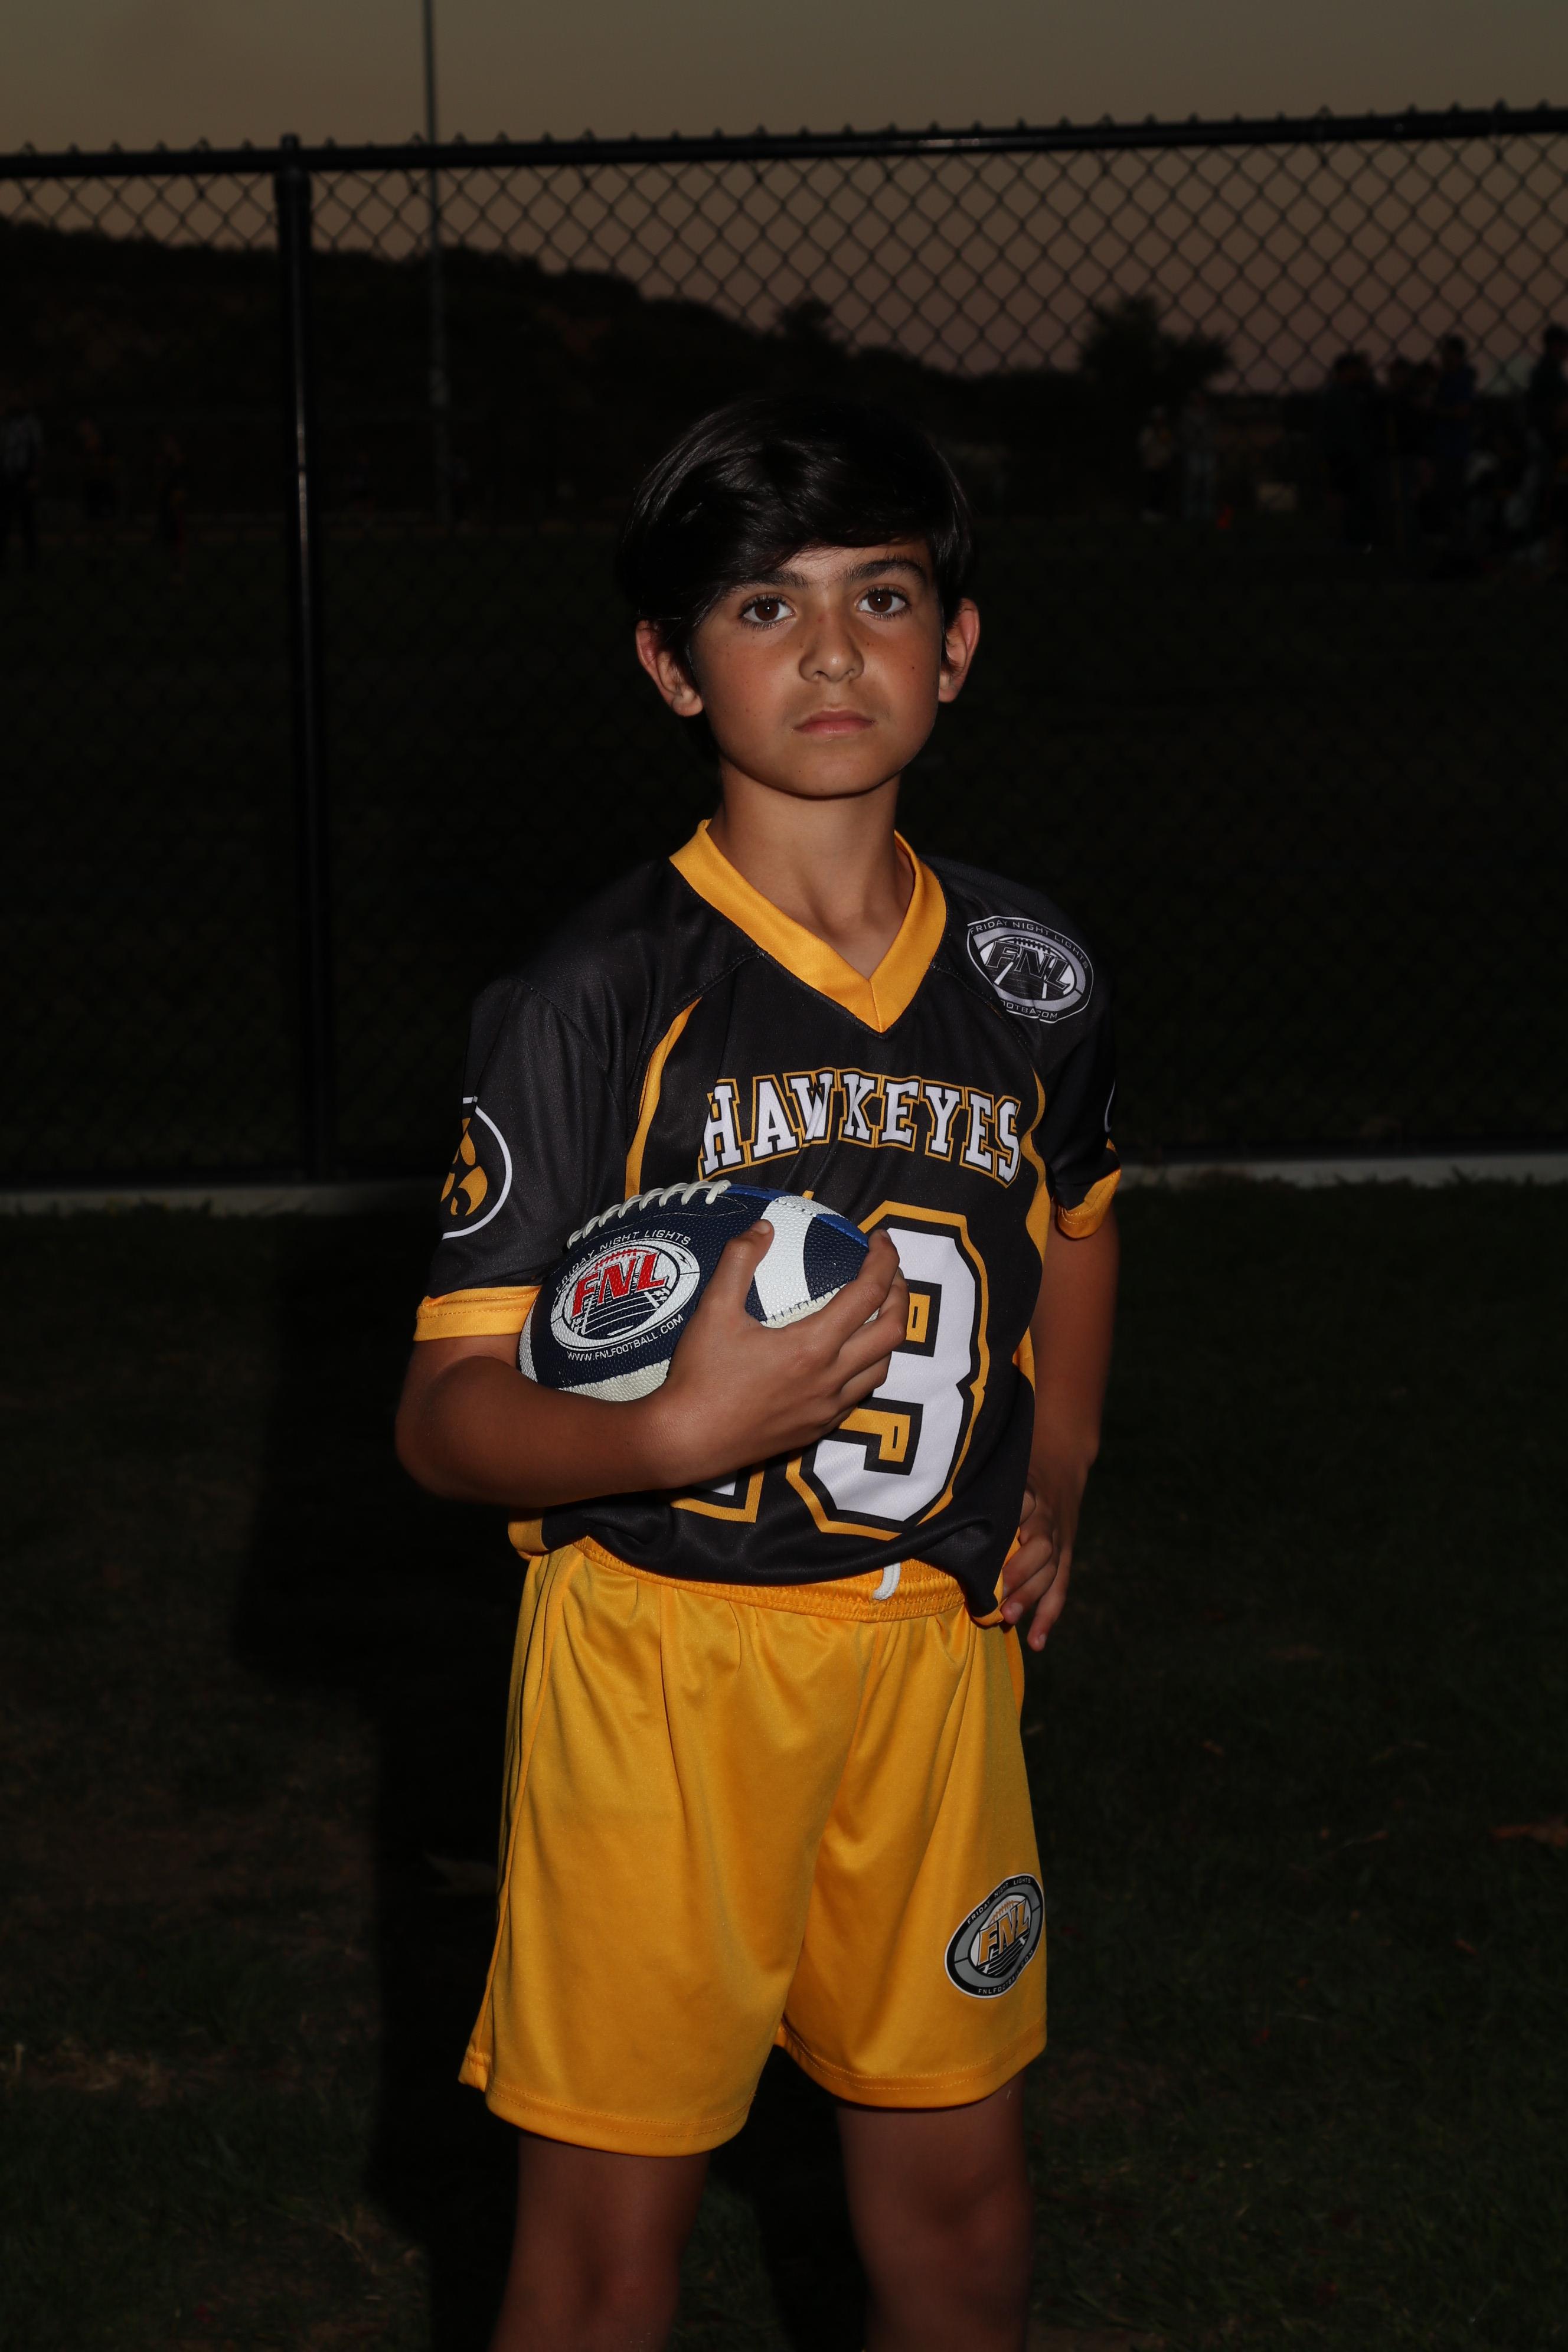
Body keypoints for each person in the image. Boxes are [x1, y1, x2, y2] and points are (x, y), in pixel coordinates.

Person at [396, 394, 1121, 2352]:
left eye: (881, 597)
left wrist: (1055, 1472)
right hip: (663, 1663)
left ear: (955, 643)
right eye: (760, 606)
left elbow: (1073, 1223)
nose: (829, 653)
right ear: (668, 664)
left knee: (964, 2223)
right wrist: (674, 1425)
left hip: (930, 1661)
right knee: (602, 2261)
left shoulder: (1032, 970)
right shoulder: (593, 996)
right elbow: (444, 1418)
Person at [0, 390, 44, 573]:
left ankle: (32, 563)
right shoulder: (6, 423)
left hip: (24, 476)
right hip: (6, 475)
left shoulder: (30, 423)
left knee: (27, 521)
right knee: (4, 521)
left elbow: (37, 450)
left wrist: (34, 475)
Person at [1178, 390, 1217, 524]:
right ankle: (1190, 514)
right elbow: (1184, 432)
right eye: (1197, 398)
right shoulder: (1187, 414)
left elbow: (1214, 431)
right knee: (1192, 484)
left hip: (1207, 451)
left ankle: (1206, 514)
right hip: (1193, 452)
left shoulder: (1209, 414)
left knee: (1208, 485)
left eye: (1201, 398)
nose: (1200, 401)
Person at [1136, 404, 1175, 519]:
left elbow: (1171, 447)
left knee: (1161, 489)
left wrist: (1166, 459)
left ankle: (1159, 512)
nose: (1159, 421)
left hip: (1163, 465)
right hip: (1151, 466)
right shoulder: (1148, 432)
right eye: (1157, 418)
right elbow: (1142, 447)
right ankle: (1148, 512)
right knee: (1151, 489)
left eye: (1161, 418)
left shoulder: (1166, 432)